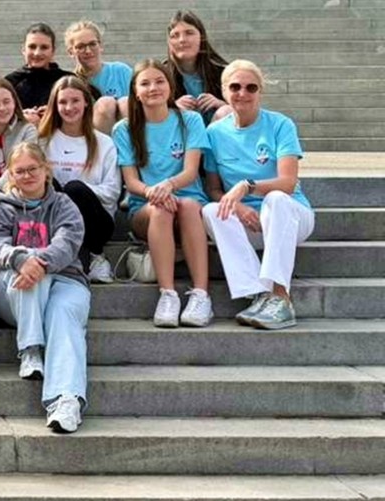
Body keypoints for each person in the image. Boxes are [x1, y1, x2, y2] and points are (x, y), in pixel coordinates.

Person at [0, 142, 89, 434]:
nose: (27, 175)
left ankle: (66, 401)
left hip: (66, 281)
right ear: (10, 174)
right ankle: (30, 348)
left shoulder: (64, 205)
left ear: (46, 170)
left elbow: (67, 242)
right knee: (29, 263)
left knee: (63, 315)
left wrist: (39, 263)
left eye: (33, 169)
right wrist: (22, 260)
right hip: (10, 289)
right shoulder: (1, 207)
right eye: (20, 171)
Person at [202, 60, 314, 330]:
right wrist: (238, 207)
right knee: (210, 210)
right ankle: (258, 294)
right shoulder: (214, 133)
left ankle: (281, 297)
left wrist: (247, 186)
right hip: (248, 221)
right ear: (224, 91)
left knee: (276, 199)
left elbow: (288, 183)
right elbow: (214, 190)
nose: (242, 93)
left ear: (260, 91)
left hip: (289, 216)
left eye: (251, 87)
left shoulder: (280, 124)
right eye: (235, 87)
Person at [112, 60, 212, 329]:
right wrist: (153, 191)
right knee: (162, 208)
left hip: (188, 201)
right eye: (144, 83)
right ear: (135, 91)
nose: (153, 88)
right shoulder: (124, 129)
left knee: (187, 205)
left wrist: (167, 185)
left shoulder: (189, 120)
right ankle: (168, 295)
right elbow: (131, 181)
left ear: (170, 87)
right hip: (146, 208)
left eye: (159, 81)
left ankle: (201, 295)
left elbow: (190, 171)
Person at [37, 76, 121, 284]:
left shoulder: (104, 143)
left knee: (75, 189)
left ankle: (97, 256)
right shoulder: (43, 141)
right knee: (45, 183)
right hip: (54, 214)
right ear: (55, 106)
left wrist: (77, 192)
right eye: (63, 102)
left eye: (75, 100)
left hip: (95, 219)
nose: (69, 107)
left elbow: (112, 191)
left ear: (86, 102)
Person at [64, 20, 131, 135]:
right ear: (71, 52)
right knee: (106, 104)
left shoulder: (121, 71)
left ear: (100, 46)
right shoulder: (71, 82)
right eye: (81, 46)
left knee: (126, 103)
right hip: (92, 137)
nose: (88, 51)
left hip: (126, 135)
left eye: (92, 44)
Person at [166, 10, 232, 123]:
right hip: (180, 132)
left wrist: (221, 105)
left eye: (189, 33)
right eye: (175, 35)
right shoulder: (161, 76)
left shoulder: (225, 73)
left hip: (217, 132)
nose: (182, 40)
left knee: (226, 111)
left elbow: (246, 109)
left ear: (201, 37)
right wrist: (172, 108)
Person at [5, 23, 70, 126]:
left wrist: (54, 113)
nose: (37, 53)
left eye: (44, 47)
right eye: (32, 47)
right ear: (23, 50)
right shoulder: (10, 83)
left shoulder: (67, 81)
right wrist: (21, 116)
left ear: (53, 51)